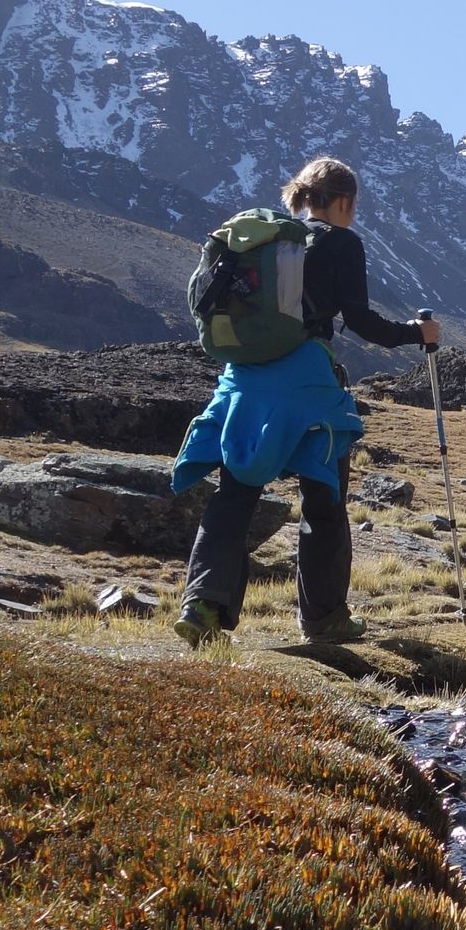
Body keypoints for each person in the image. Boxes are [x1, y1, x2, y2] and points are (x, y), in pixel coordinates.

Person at [173, 155, 439, 648]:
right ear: (343, 202)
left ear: (297, 198)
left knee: (234, 494)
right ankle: (324, 620)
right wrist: (415, 334)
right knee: (324, 497)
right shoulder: (340, 241)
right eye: (353, 206)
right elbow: (360, 321)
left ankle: (202, 606)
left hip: (242, 380)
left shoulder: (265, 245)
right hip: (305, 384)